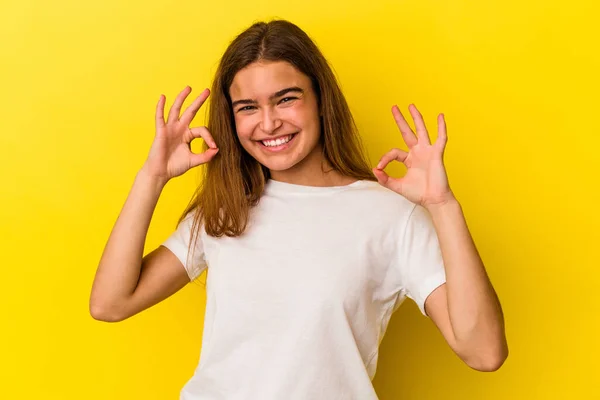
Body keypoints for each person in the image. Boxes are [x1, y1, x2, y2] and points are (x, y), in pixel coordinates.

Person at [90, 19, 508, 400]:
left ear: (321, 100)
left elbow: (484, 351)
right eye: (248, 108)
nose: (268, 123)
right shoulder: (226, 210)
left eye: (286, 99)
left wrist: (443, 205)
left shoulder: (391, 217)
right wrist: (152, 177)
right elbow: (110, 304)